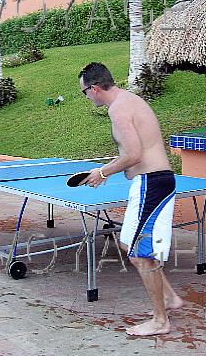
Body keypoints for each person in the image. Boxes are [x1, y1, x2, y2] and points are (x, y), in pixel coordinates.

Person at [78, 62, 182, 336]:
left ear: (95, 88)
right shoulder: (128, 100)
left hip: (152, 183)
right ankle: (169, 298)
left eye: (84, 93)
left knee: (140, 254)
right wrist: (109, 169)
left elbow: (134, 154)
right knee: (127, 242)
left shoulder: (118, 108)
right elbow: (134, 152)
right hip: (151, 182)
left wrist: (102, 172)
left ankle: (161, 321)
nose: (86, 97)